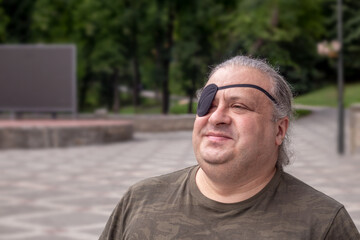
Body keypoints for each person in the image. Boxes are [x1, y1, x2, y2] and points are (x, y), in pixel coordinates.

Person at [99, 56, 360, 239]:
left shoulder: (324, 223)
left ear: (279, 129)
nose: (216, 117)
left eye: (238, 106)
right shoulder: (140, 199)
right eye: (208, 105)